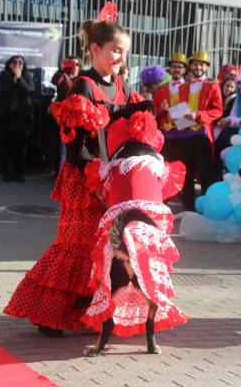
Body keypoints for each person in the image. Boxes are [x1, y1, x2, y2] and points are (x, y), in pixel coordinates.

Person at [4, 2, 149, 337]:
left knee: (106, 247)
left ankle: (87, 310)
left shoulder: (125, 88)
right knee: (76, 244)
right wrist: (94, 175)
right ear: (95, 49)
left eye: (124, 52)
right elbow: (75, 146)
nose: (120, 59)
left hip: (114, 180)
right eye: (115, 51)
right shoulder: (83, 86)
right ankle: (46, 312)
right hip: (83, 177)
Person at [81, 111, 188, 356]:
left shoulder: (112, 166)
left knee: (110, 284)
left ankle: (101, 343)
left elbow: (104, 195)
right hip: (147, 230)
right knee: (151, 285)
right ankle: (150, 340)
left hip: (121, 230)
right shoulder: (159, 165)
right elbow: (165, 193)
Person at [159, 51, 222, 211]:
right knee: (187, 173)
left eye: (202, 64)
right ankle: (188, 207)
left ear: (206, 67)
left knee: (205, 171)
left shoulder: (212, 85)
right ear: (191, 67)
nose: (198, 67)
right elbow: (178, 108)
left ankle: (208, 208)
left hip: (201, 133)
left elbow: (218, 110)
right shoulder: (183, 87)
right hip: (184, 134)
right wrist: (170, 114)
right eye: (195, 64)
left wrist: (198, 115)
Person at [0, 55, 35, 183]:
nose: (18, 65)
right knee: (6, 147)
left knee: (20, 148)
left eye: (20, 63)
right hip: (7, 117)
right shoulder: (4, 75)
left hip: (22, 118)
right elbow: (0, 91)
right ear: (9, 64)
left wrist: (19, 78)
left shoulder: (27, 76)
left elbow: (29, 90)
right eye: (15, 63)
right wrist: (13, 81)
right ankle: (7, 173)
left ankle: (19, 173)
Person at [51, 56, 82, 168]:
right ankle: (60, 172)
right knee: (62, 145)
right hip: (62, 116)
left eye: (76, 64)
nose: (74, 67)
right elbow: (54, 81)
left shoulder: (82, 79)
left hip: (78, 117)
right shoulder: (62, 76)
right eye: (71, 64)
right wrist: (62, 70)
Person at [211, 77, 236, 179]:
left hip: (227, 135)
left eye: (231, 87)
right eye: (227, 86)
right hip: (217, 132)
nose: (228, 89)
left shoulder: (234, 100)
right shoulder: (218, 98)